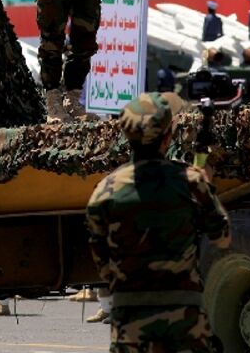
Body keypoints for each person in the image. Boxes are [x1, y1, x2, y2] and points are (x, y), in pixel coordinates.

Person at [86, 93, 230, 353]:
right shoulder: (190, 182)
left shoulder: (103, 192)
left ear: (127, 137)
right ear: (168, 136)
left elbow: (102, 262)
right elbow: (222, 238)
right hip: (184, 321)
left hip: (130, 322)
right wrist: (206, 187)